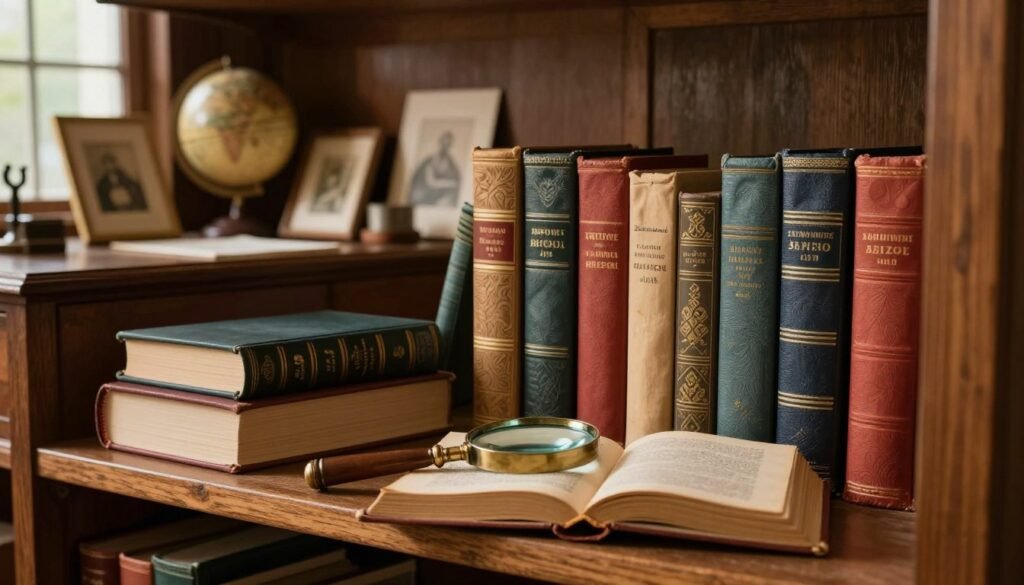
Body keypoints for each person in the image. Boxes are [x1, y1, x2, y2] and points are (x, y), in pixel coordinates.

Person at [409, 131, 460, 206]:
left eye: (448, 145)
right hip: (423, 197)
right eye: (443, 143)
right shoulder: (428, 161)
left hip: (438, 199)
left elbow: (456, 181)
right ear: (440, 143)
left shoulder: (451, 164)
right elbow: (431, 182)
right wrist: (450, 183)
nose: (445, 147)